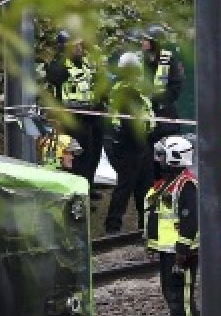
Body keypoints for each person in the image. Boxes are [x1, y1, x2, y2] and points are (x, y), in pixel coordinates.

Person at [143, 135, 199, 316]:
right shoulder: (169, 183)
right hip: (169, 249)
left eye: (162, 155)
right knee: (173, 290)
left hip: (181, 251)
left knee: (178, 292)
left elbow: (190, 219)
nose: (158, 159)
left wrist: (183, 249)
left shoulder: (186, 185)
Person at [44, 31, 106, 192]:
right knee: (71, 159)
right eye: (75, 45)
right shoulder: (58, 65)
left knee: (89, 158)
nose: (79, 48)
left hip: (88, 118)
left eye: (80, 45)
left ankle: (85, 190)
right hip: (68, 120)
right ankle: (72, 192)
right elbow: (54, 78)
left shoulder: (85, 63)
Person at [104, 52, 155, 234]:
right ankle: (113, 227)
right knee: (126, 186)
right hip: (128, 144)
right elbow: (129, 122)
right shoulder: (124, 90)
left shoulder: (135, 88)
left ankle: (146, 223)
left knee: (145, 187)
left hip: (140, 143)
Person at [140, 25, 185, 138]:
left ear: (154, 43)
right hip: (144, 113)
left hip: (164, 113)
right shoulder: (140, 60)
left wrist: (157, 97)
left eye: (146, 40)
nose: (143, 42)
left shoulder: (168, 59)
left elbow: (175, 87)